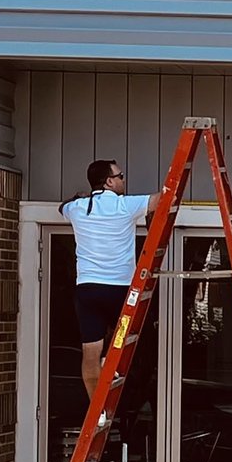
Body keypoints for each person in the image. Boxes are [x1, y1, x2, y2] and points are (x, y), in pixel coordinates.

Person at [61, 157, 155, 404]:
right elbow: (163, 200)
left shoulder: (79, 208)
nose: (124, 179)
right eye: (120, 176)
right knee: (122, 342)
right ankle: (109, 373)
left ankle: (97, 405)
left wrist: (77, 197)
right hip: (119, 291)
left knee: (90, 351)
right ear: (109, 181)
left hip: (88, 290)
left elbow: (63, 207)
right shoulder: (125, 206)